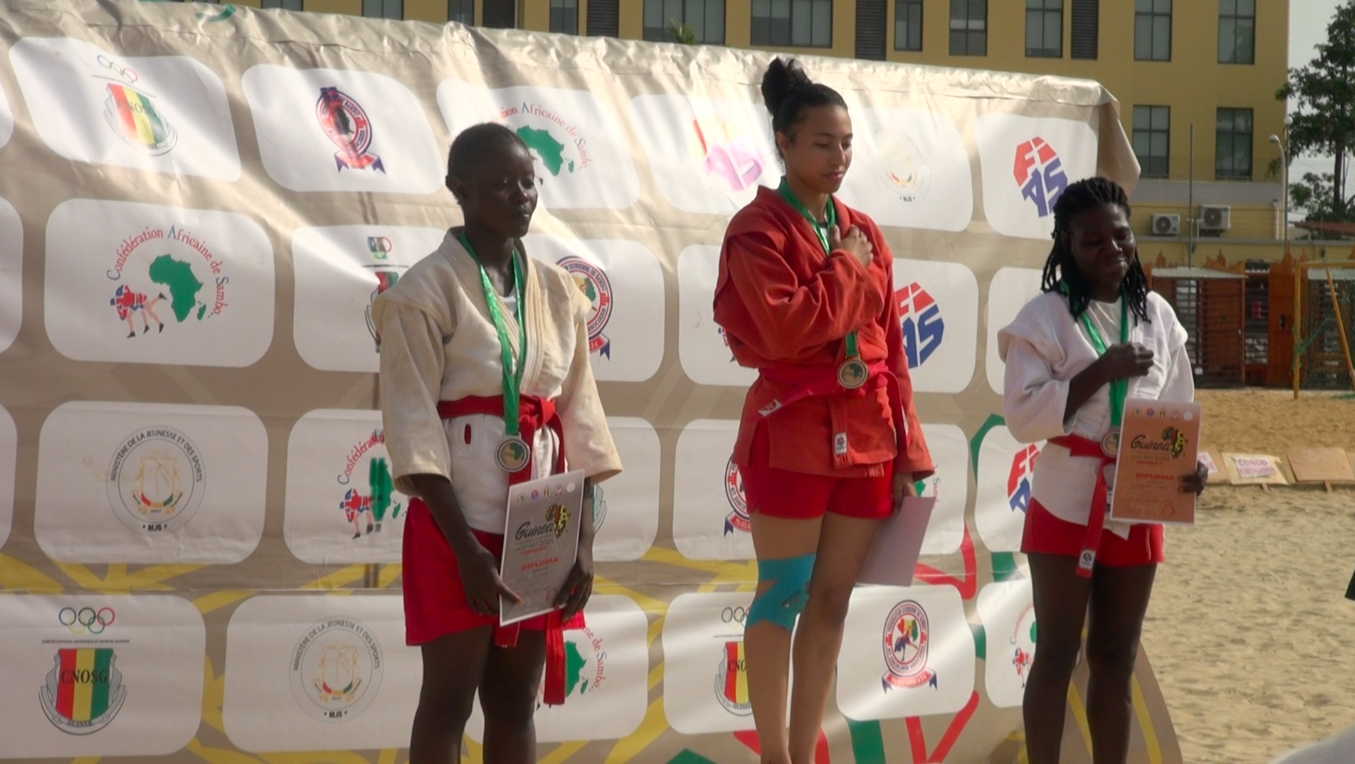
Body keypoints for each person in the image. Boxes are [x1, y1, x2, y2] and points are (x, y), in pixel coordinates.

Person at [373, 123, 622, 764]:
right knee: (448, 704)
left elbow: (580, 416)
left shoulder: (557, 289)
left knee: (515, 706)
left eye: (528, 182)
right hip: (456, 527)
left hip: (538, 529)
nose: (521, 196)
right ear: (459, 190)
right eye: (500, 184)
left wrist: (581, 545)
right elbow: (413, 426)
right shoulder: (421, 292)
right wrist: (465, 553)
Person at [712, 58, 934, 764]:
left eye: (844, 143)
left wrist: (911, 452)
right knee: (783, 595)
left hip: (868, 438)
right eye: (820, 144)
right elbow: (782, 329)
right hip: (791, 436)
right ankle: (773, 754)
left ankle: (803, 751)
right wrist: (844, 268)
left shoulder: (863, 227)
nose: (837, 158)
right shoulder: (756, 229)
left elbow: (891, 348)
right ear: (782, 142)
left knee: (833, 601)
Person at [997, 177, 1208, 764]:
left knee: (1116, 656)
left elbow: (1180, 410)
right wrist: (1100, 370)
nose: (1113, 249)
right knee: (1058, 654)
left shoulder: (1158, 315)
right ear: (1066, 243)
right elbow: (1021, 415)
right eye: (1095, 240)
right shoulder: (1043, 317)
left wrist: (1194, 466)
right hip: (1068, 499)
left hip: (1141, 498)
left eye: (1121, 236)